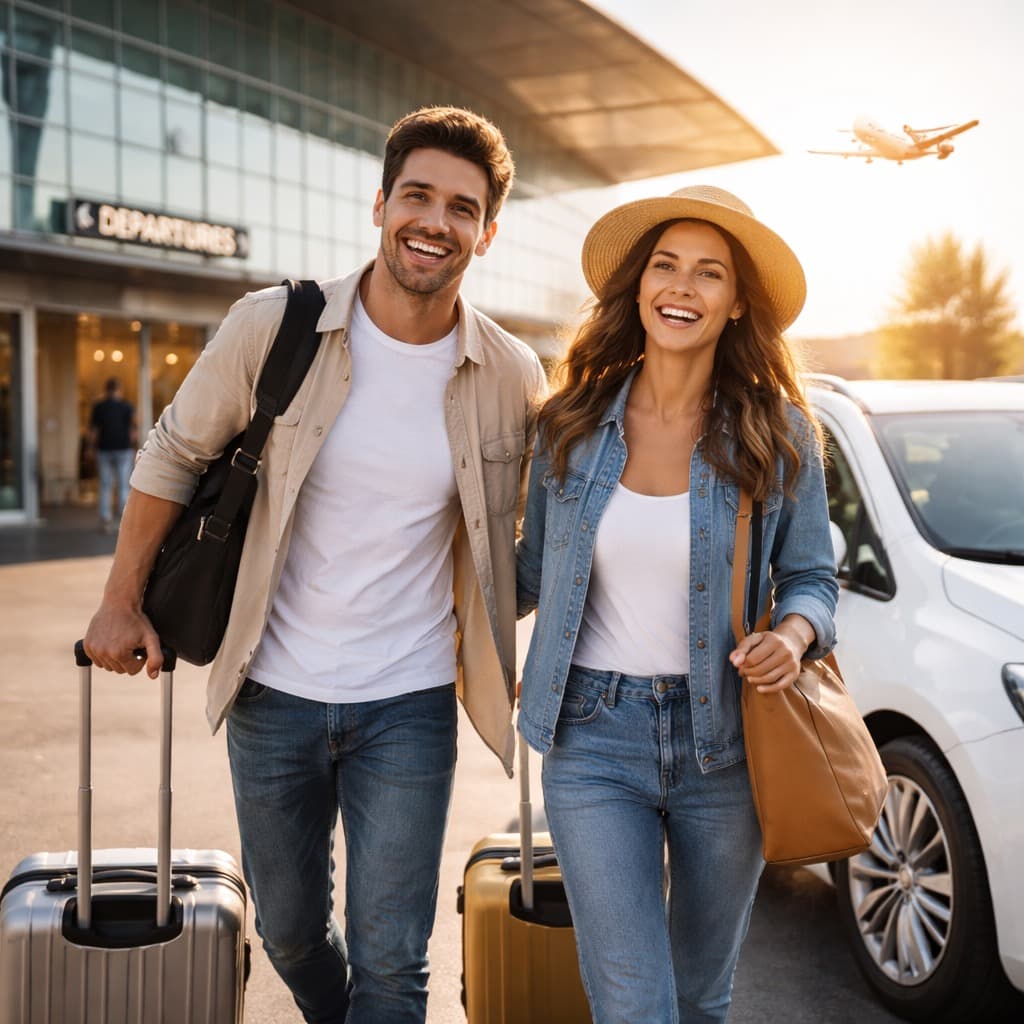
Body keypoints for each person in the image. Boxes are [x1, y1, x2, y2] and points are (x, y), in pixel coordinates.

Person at [84, 106, 547, 1024]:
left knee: (394, 963)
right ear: (379, 205)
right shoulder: (274, 326)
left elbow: (528, 538)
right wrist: (118, 600)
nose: (435, 221)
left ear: (487, 233)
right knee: (291, 932)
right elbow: (173, 457)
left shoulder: (509, 374)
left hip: (409, 704)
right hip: (273, 692)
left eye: (462, 208)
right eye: (417, 195)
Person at [516, 185, 839, 1023]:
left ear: (736, 306)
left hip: (725, 741)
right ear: (637, 287)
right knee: (633, 1002)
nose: (681, 288)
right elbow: (528, 573)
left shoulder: (779, 431)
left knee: (700, 996)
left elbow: (813, 578)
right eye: (665, 266)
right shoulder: (571, 424)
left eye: (708, 274)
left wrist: (795, 635)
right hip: (592, 738)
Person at [88, 376, 136, 531]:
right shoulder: (127, 407)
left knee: (105, 485)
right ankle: (124, 518)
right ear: (119, 390)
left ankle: (105, 518)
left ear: (106, 390)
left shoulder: (99, 407)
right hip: (123, 449)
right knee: (123, 485)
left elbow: (94, 431)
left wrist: (90, 448)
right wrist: (134, 447)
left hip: (104, 449)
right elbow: (133, 431)